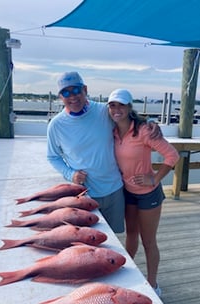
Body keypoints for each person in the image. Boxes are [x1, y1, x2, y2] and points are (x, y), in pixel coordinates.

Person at [47, 72, 161, 234]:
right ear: (60, 97)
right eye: (66, 92)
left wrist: (150, 122)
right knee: (87, 240)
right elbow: (53, 156)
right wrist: (70, 174)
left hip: (115, 190)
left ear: (85, 89)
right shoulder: (56, 125)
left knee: (114, 239)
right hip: (84, 195)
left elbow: (128, 116)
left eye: (76, 90)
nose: (72, 96)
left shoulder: (103, 111)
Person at [107, 88, 180, 296]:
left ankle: (153, 284)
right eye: (113, 105)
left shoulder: (145, 130)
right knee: (131, 236)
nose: (117, 109)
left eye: (121, 104)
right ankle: (125, 274)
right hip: (127, 192)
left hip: (149, 194)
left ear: (130, 107)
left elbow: (172, 156)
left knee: (148, 241)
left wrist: (154, 178)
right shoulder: (112, 131)